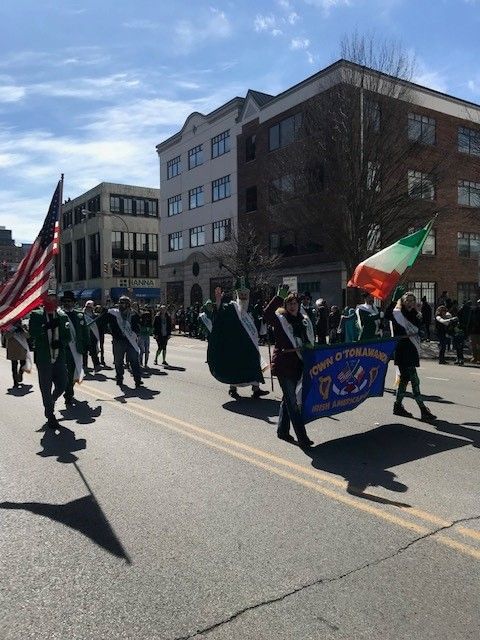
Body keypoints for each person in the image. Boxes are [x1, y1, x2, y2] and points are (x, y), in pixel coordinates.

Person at [263, 286, 315, 448]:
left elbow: (309, 340)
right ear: (285, 306)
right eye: (289, 303)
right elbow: (266, 315)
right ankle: (302, 437)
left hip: (299, 365)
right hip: (284, 366)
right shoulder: (280, 320)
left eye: (295, 303)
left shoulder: (303, 320)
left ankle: (282, 430)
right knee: (293, 402)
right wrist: (278, 297)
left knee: (288, 398)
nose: (293, 306)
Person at [208, 278, 269, 399]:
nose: (243, 297)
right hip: (235, 344)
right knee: (234, 366)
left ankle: (256, 389)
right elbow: (220, 317)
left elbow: (257, 323)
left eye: (245, 294)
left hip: (250, 345)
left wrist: (263, 322)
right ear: (236, 294)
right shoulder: (231, 307)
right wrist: (218, 302)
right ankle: (232, 389)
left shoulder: (251, 309)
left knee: (253, 365)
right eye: (240, 294)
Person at [29, 291, 71, 429]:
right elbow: (32, 333)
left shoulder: (62, 316)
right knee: (45, 387)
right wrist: (45, 327)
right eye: (49, 298)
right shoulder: (36, 315)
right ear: (44, 300)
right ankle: (50, 413)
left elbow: (68, 336)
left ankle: (51, 401)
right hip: (43, 357)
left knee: (63, 384)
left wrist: (61, 343)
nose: (52, 300)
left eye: (54, 298)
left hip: (59, 356)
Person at [392, 292, 436, 421]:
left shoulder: (415, 314)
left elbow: (419, 328)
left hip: (412, 350)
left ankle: (397, 406)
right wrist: (412, 334)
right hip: (403, 350)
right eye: (408, 300)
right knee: (415, 381)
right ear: (403, 301)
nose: (410, 302)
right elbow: (398, 334)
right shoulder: (399, 314)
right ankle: (423, 410)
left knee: (404, 380)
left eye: (413, 300)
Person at [107, 296, 143, 387]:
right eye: (120, 303)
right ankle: (119, 378)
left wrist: (136, 333)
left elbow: (138, 326)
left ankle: (137, 379)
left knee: (134, 360)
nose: (121, 305)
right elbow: (104, 322)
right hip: (118, 340)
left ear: (128, 304)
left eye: (123, 303)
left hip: (131, 341)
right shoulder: (113, 313)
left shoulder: (134, 314)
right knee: (118, 361)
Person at [61, 291, 89, 406]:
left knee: (74, 372)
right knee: (66, 374)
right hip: (64, 349)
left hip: (77, 349)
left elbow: (84, 332)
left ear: (74, 302)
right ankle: (68, 394)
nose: (67, 303)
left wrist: (87, 345)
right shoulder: (60, 315)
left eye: (70, 301)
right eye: (65, 301)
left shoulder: (79, 315)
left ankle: (69, 392)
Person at [4, 319, 31, 388]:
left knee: (23, 363)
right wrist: (13, 331)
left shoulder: (23, 326)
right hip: (13, 349)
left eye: (19, 321)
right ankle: (15, 382)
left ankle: (20, 374)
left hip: (22, 348)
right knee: (14, 366)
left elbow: (28, 336)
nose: (17, 322)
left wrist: (22, 330)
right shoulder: (9, 326)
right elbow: (6, 336)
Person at [82, 300, 101, 372]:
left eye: (90, 307)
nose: (88, 308)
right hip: (84, 336)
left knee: (93, 352)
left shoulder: (95, 316)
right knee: (84, 353)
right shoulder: (82, 315)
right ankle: (84, 365)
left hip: (93, 336)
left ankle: (96, 365)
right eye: (87, 307)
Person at [467, 298, 480, 364]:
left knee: (474, 346)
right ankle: (475, 357)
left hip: (474, 331)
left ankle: (476, 358)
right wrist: (468, 330)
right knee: (474, 346)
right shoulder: (474, 311)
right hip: (474, 331)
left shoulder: (473, 310)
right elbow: (470, 321)